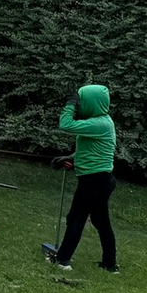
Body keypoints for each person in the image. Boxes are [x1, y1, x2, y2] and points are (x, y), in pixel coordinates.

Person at [46, 84, 118, 274]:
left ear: (92, 102)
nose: (79, 106)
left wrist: (69, 105)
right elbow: (92, 151)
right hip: (99, 180)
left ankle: (62, 260)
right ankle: (110, 264)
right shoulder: (101, 121)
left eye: (81, 101)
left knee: (75, 218)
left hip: (95, 181)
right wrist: (70, 158)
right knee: (101, 221)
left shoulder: (100, 123)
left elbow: (66, 125)